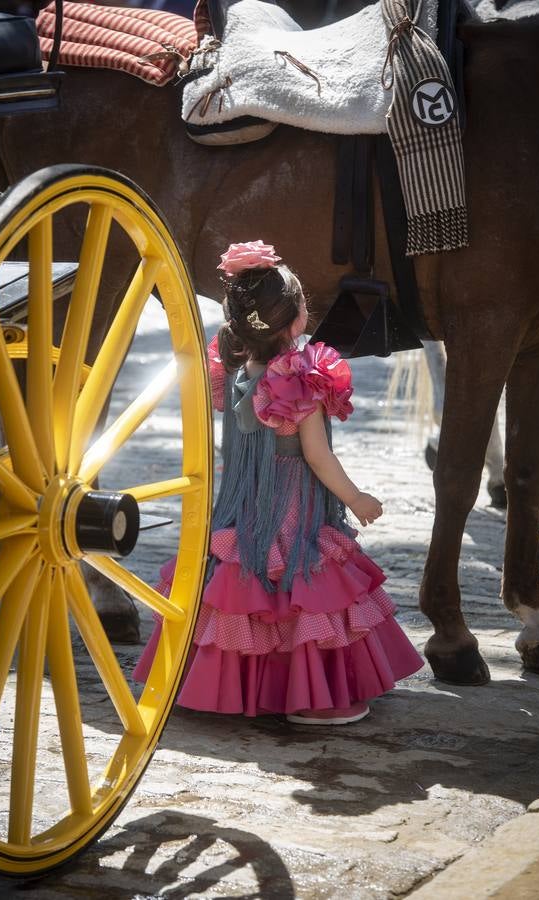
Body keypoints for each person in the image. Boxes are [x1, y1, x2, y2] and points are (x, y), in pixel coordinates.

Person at [134, 240, 423, 724]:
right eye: (304, 303)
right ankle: (310, 698)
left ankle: (231, 684)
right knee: (303, 588)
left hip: (246, 507)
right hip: (294, 506)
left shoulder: (235, 371)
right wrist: (355, 497)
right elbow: (317, 455)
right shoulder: (298, 381)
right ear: (293, 321)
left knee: (248, 587)